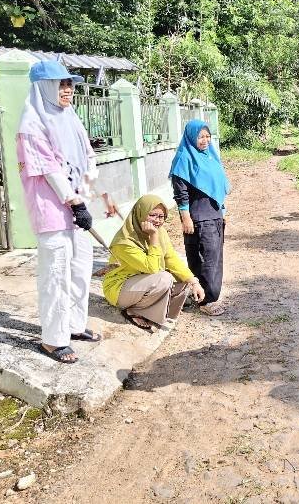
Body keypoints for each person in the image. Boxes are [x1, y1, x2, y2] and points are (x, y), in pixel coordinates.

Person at [17, 60, 117, 364]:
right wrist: (75, 202)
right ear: (43, 87)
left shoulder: (70, 118)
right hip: (52, 212)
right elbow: (50, 171)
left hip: (78, 209)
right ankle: (53, 339)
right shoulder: (32, 125)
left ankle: (74, 326)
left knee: (80, 269)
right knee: (56, 274)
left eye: (69, 84)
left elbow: (87, 157)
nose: (67, 90)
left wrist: (100, 194)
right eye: (60, 84)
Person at [102, 195, 205, 331]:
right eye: (152, 215)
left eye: (161, 216)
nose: (157, 220)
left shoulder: (160, 232)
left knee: (183, 281)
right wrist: (154, 237)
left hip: (140, 282)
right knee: (164, 278)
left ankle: (153, 309)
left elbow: (171, 259)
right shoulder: (124, 242)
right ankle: (133, 310)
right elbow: (153, 268)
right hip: (119, 289)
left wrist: (194, 282)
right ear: (141, 213)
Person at [169, 120, 230, 316]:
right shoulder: (184, 158)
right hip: (199, 218)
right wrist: (185, 218)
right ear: (191, 137)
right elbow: (181, 193)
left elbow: (219, 186)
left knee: (215, 257)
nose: (205, 140)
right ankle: (206, 300)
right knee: (204, 259)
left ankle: (203, 295)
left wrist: (222, 211)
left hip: (214, 215)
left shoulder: (210, 156)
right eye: (200, 137)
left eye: (207, 136)